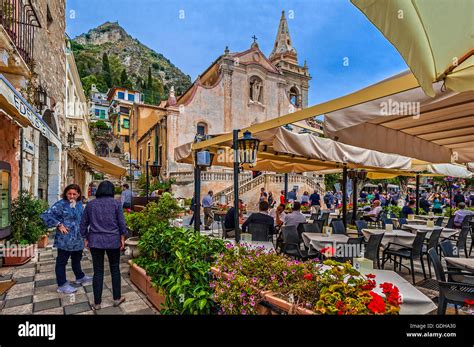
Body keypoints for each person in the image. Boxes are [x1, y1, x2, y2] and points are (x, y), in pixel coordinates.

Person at [80, 181, 127, 310]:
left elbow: (83, 223)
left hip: (95, 241)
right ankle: (117, 298)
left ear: (99, 190)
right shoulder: (116, 204)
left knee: (98, 271)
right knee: (115, 269)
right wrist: (122, 237)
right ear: (111, 191)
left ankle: (97, 303)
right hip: (113, 240)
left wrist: (85, 238)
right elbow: (122, 223)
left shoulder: (90, 204)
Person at [40, 184, 92, 294]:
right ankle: (62, 285)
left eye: (74, 194)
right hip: (65, 239)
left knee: (77, 259)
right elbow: (45, 215)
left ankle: (80, 277)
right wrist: (59, 224)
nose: (72, 196)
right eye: (69, 194)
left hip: (78, 239)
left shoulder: (78, 204)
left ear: (78, 194)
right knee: (61, 262)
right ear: (66, 194)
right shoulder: (61, 204)